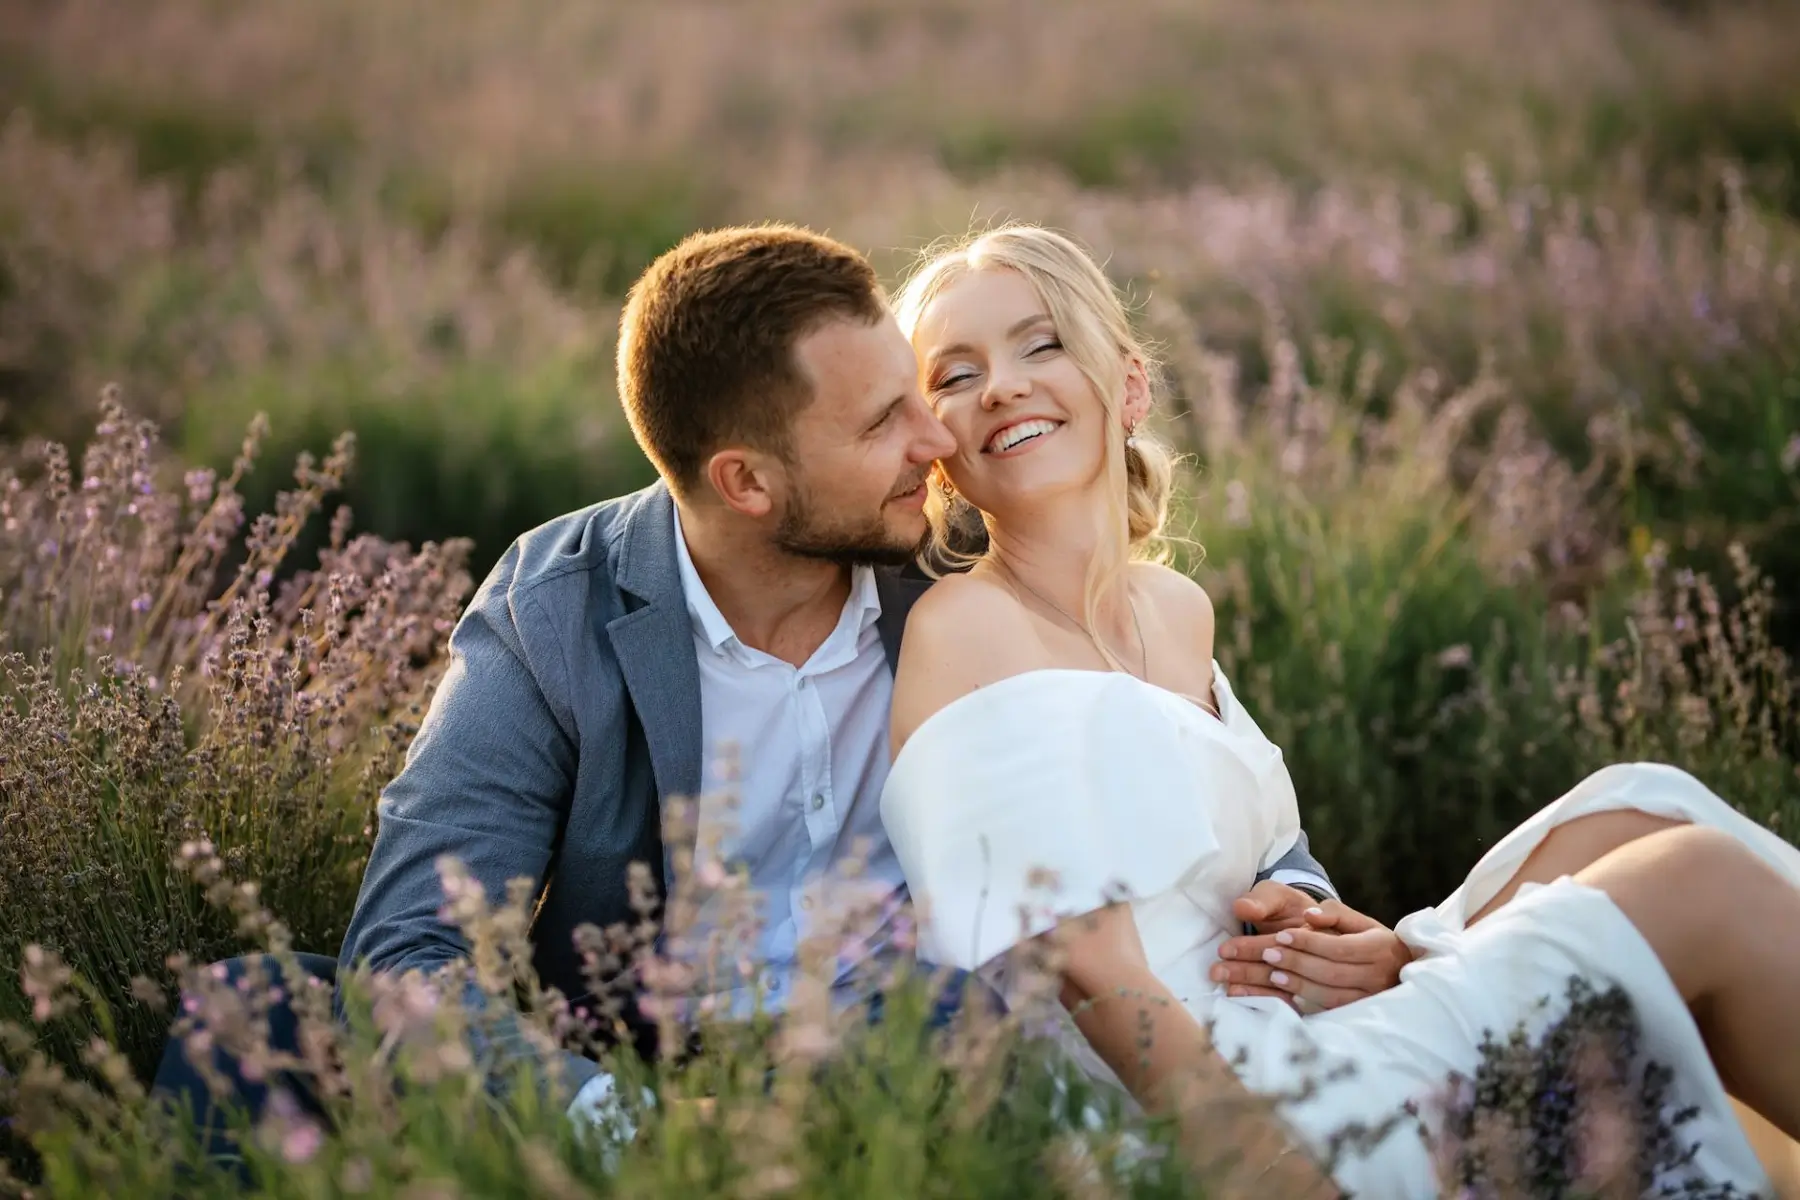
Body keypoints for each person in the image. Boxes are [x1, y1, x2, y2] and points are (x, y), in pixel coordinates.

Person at [262, 224, 1352, 1136]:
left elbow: (1187, 755)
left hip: (924, 1076)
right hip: (650, 1081)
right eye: (886, 420)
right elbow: (412, 949)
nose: (939, 440)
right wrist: (625, 1130)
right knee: (255, 1010)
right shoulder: (559, 609)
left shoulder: (964, 574)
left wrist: (1301, 907)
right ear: (746, 482)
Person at [879, 222, 1800, 1197]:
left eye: (1041, 343)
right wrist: (1265, 1165)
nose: (1003, 386)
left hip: (1283, 1018)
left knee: (1642, 807)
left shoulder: (1176, 610)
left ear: (1131, 386)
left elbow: (1259, 860)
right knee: (1693, 878)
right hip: (1203, 1098)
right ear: (939, 454)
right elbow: (1084, 969)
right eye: (955, 374)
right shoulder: (968, 625)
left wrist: (1331, 933)